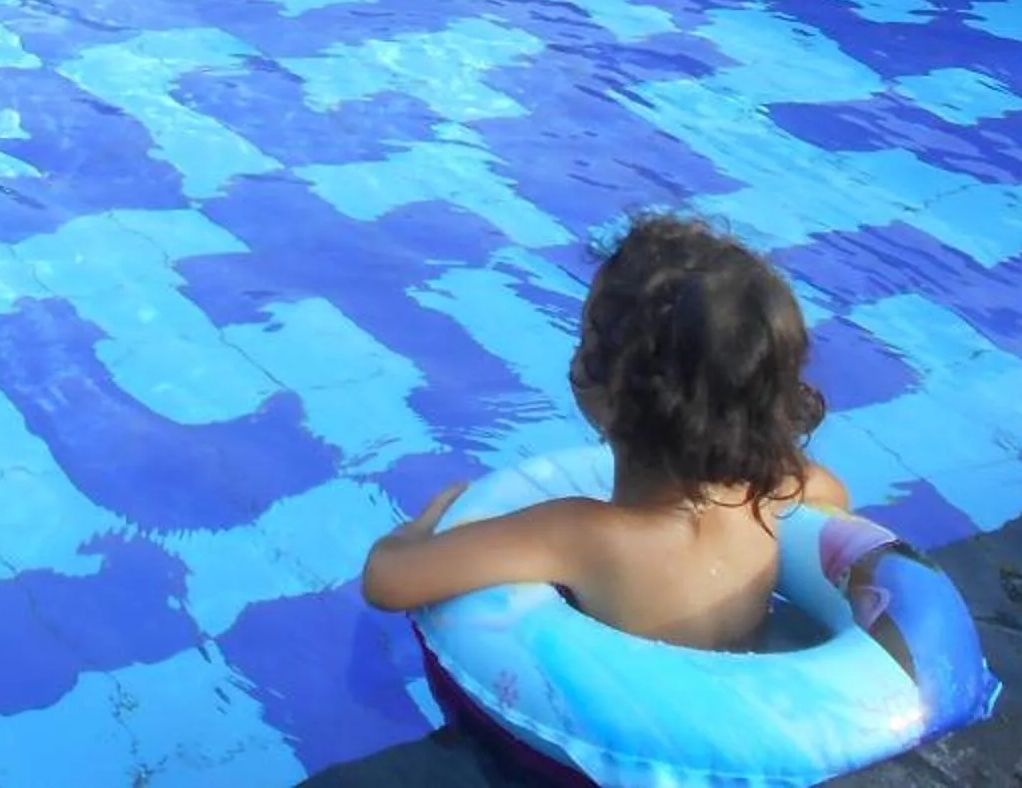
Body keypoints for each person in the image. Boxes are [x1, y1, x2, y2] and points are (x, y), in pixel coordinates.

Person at [362, 213, 849, 651]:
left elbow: (388, 581)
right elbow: (833, 495)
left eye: (586, 341)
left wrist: (423, 526)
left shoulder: (580, 534)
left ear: (611, 395)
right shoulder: (767, 495)